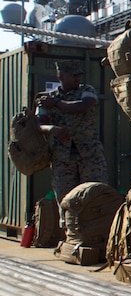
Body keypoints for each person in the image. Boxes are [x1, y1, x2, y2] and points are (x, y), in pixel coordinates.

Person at [35, 60, 108, 210]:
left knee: (96, 197)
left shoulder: (86, 91)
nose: (77, 78)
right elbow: (39, 124)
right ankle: (70, 232)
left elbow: (83, 106)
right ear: (61, 76)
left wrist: (55, 103)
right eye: (73, 75)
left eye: (79, 75)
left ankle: (97, 232)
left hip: (90, 156)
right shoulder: (48, 98)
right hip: (63, 159)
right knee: (66, 201)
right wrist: (52, 129)